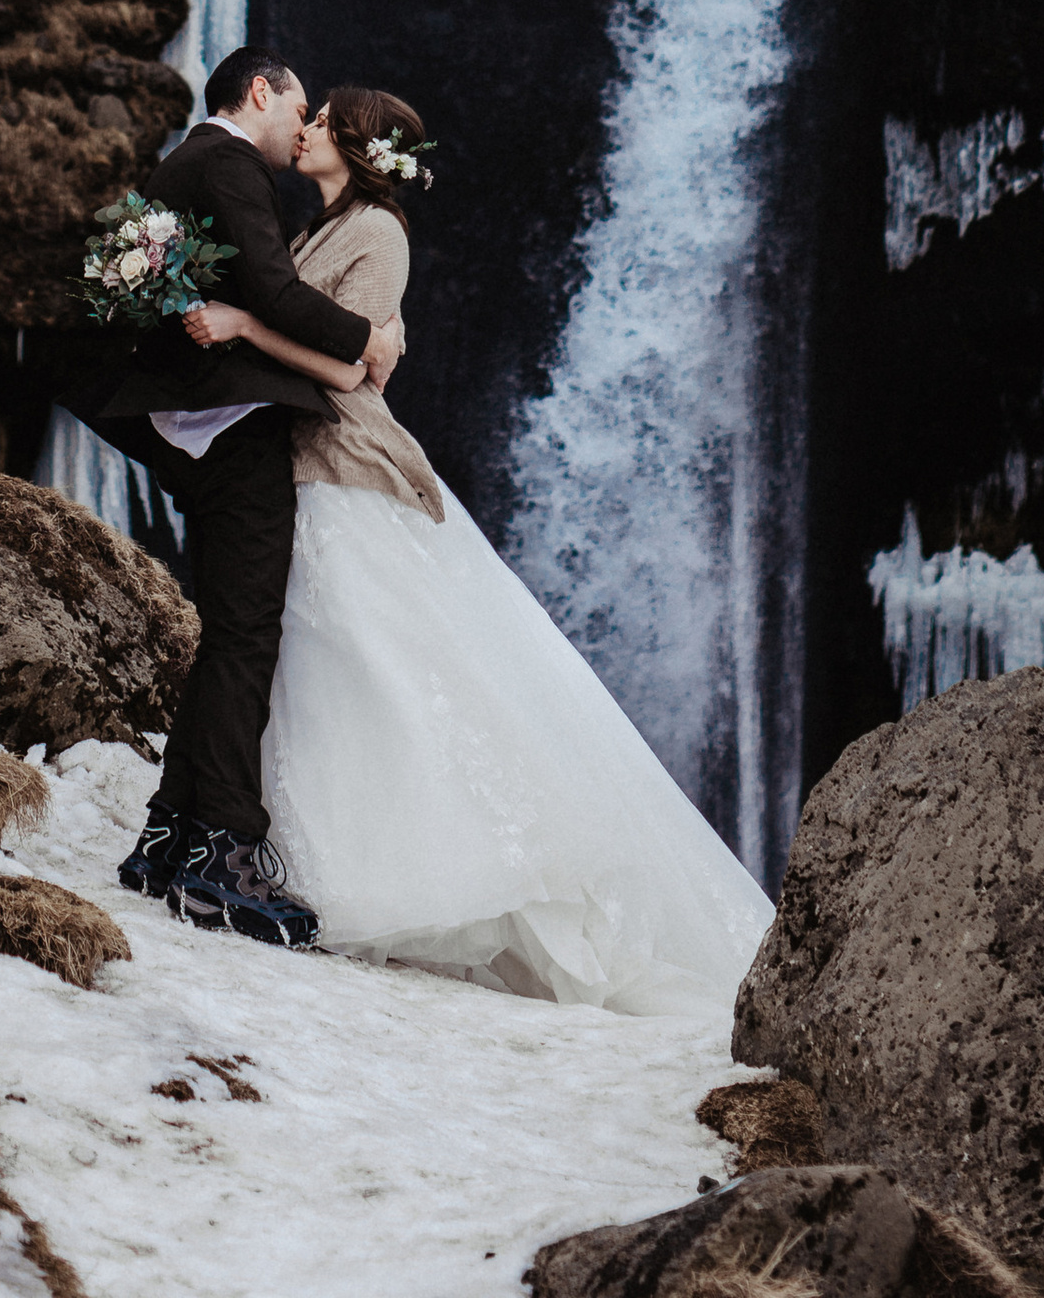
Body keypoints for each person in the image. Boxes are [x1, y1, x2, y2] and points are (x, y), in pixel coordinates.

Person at [179, 82, 774, 1015]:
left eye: (326, 120)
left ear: (360, 147)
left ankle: (416, 871)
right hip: (300, 466)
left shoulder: (378, 233)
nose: (307, 127)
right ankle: (303, 852)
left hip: (344, 469)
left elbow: (345, 366)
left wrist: (248, 325)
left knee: (370, 664)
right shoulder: (316, 231)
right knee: (327, 666)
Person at [60, 46, 397, 946]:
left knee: (228, 634)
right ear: (262, 92)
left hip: (195, 426)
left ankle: (171, 832)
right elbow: (271, 288)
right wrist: (369, 337)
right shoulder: (229, 162)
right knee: (248, 635)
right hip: (230, 429)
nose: (304, 126)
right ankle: (224, 856)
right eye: (300, 108)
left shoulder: (192, 164)